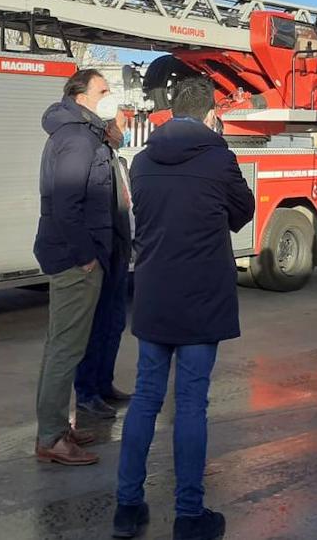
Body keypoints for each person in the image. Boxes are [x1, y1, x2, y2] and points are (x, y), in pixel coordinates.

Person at [113, 77, 254, 540]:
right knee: (191, 404)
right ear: (212, 112)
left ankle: (127, 508)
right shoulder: (219, 157)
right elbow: (243, 210)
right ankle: (189, 515)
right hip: (201, 297)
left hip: (154, 292)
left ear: (171, 111)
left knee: (147, 398)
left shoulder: (142, 160)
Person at [33, 69, 114, 467]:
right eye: (103, 91)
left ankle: (55, 429)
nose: (110, 97)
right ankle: (51, 438)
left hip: (69, 254)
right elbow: (67, 205)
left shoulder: (77, 133)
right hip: (73, 259)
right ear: (80, 96)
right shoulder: (79, 138)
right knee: (65, 350)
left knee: (61, 346)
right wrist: (86, 256)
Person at [74, 104, 135, 421]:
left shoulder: (118, 161)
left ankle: (104, 384)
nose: (124, 130)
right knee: (96, 327)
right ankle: (87, 393)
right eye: (121, 123)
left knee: (114, 324)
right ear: (107, 127)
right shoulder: (96, 159)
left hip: (120, 252)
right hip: (104, 255)